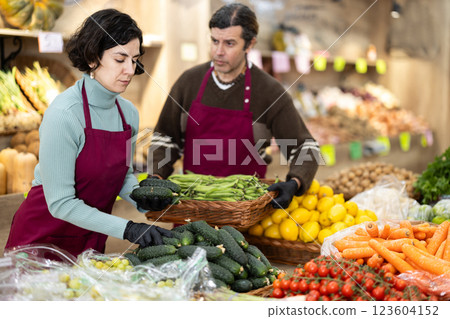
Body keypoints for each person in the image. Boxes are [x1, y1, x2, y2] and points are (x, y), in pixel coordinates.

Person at [5, 9, 171, 258]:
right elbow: (60, 203)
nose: (130, 69)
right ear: (93, 58)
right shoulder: (64, 113)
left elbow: (120, 176)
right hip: (40, 241)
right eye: (120, 59)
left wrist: (141, 199)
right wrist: (128, 228)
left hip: (90, 237)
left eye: (134, 59)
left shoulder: (128, 114)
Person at [142, 3, 321, 212]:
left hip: (248, 213)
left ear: (249, 44)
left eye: (229, 43)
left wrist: (295, 183)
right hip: (192, 208)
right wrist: (156, 177)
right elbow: (165, 139)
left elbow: (306, 148)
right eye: (214, 41)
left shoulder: (269, 91)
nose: (218, 51)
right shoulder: (189, 82)